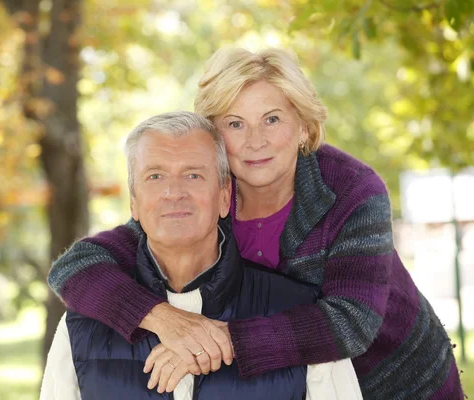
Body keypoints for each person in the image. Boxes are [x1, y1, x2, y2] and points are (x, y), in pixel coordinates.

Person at [47, 48, 464, 400]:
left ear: (302, 125)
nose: (255, 141)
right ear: (214, 136)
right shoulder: (206, 197)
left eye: (272, 119)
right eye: (234, 124)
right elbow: (75, 268)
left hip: (401, 380)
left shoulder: (350, 189)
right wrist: (163, 319)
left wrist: (214, 343)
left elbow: (350, 322)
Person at [40, 111, 362, 400]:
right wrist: (163, 319)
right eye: (155, 176)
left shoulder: (304, 316)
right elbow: (72, 266)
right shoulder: (81, 327)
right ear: (134, 203)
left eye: (193, 175)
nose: (174, 192)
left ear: (224, 197)